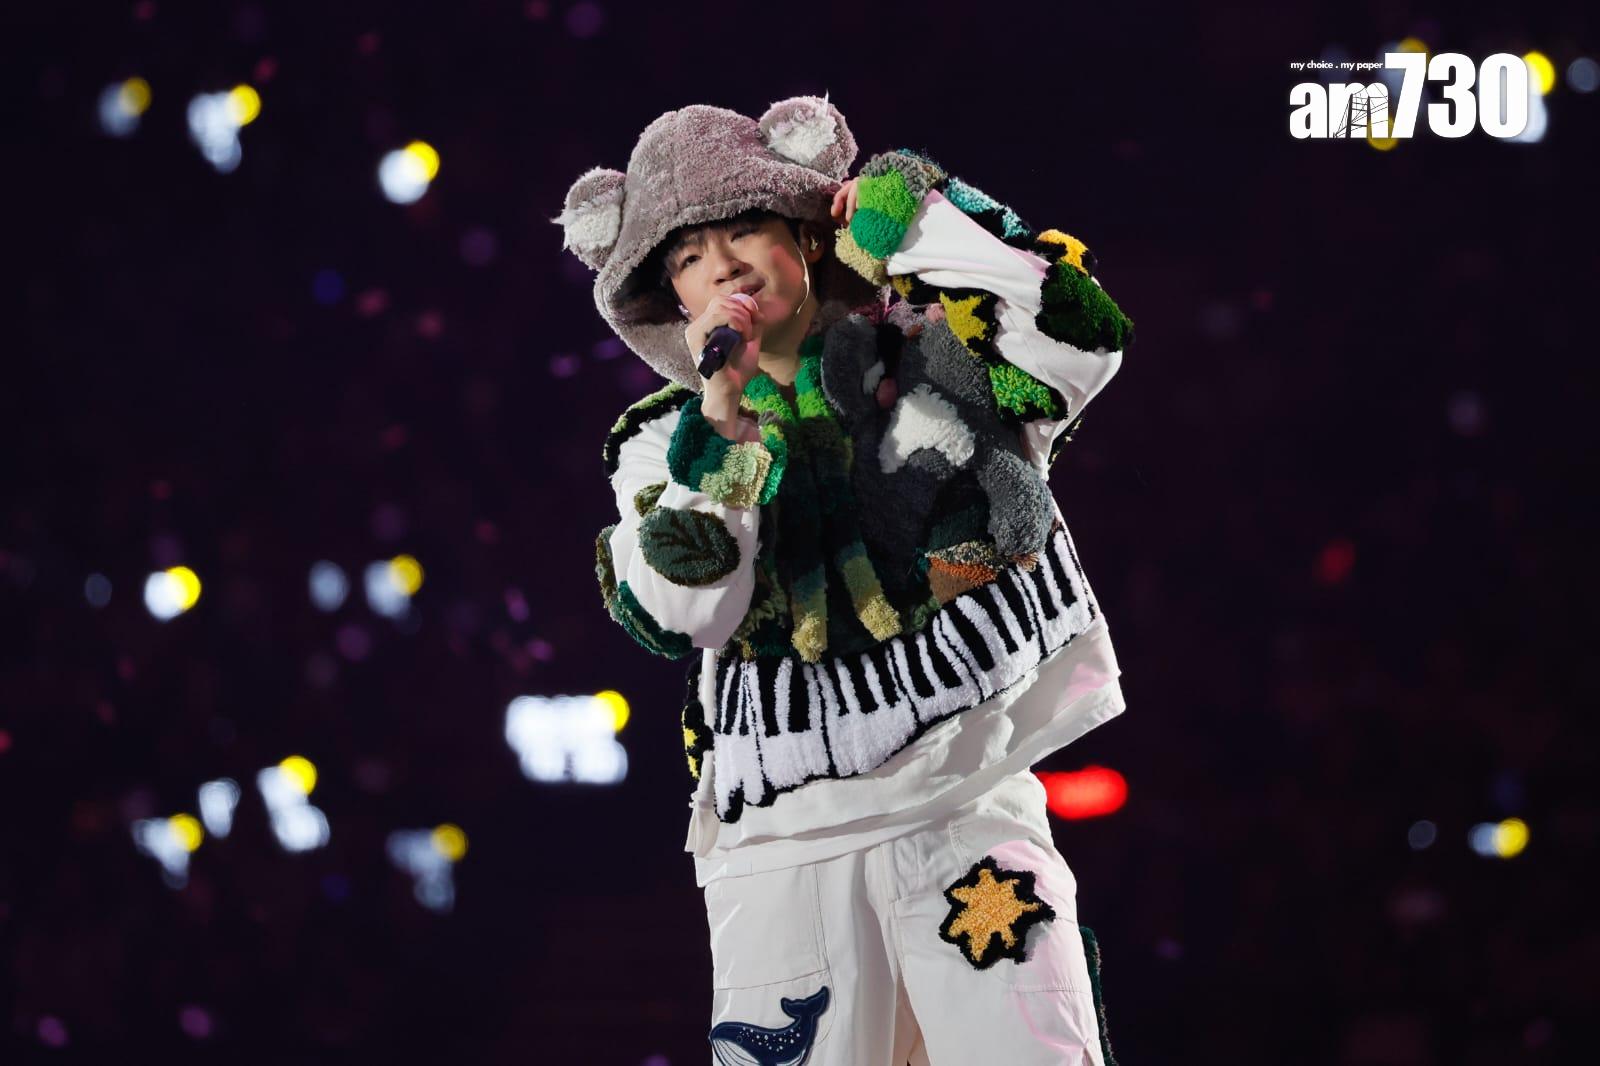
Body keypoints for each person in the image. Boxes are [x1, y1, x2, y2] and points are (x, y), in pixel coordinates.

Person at [554, 94, 1134, 1065]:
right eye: (689, 257)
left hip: (967, 802)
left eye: (744, 230)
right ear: (673, 301)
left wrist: (918, 217)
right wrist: (724, 430)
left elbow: (1081, 340)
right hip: (783, 847)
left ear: (807, 238)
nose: (723, 266)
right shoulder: (661, 443)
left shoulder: (934, 357)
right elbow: (689, 610)